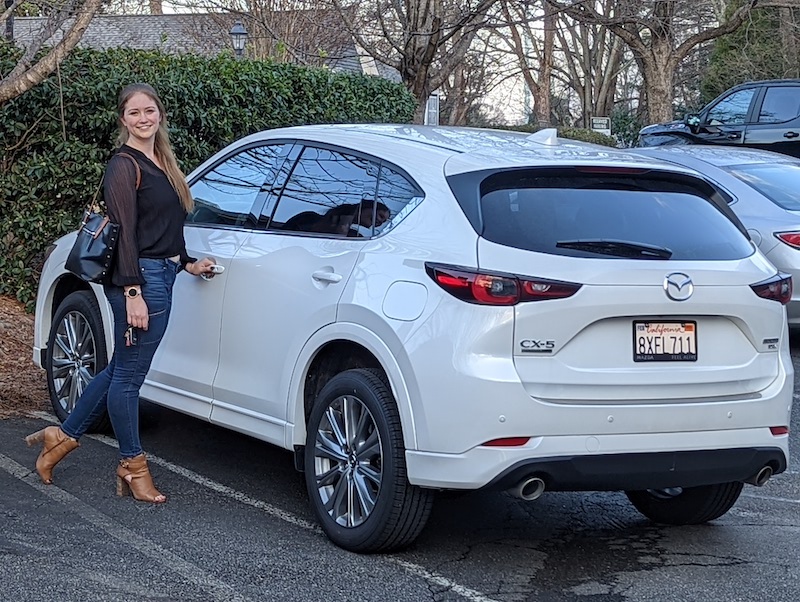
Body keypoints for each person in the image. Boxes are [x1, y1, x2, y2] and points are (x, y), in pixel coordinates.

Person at [25, 83, 216, 504]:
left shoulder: (161, 161)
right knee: (129, 378)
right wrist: (133, 291)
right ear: (123, 120)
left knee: (121, 370)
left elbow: (165, 225)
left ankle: (61, 436)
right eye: (134, 113)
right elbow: (126, 232)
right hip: (139, 281)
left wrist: (186, 262)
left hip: (161, 275)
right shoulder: (123, 165)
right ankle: (132, 465)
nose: (143, 119)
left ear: (160, 115)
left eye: (150, 111)